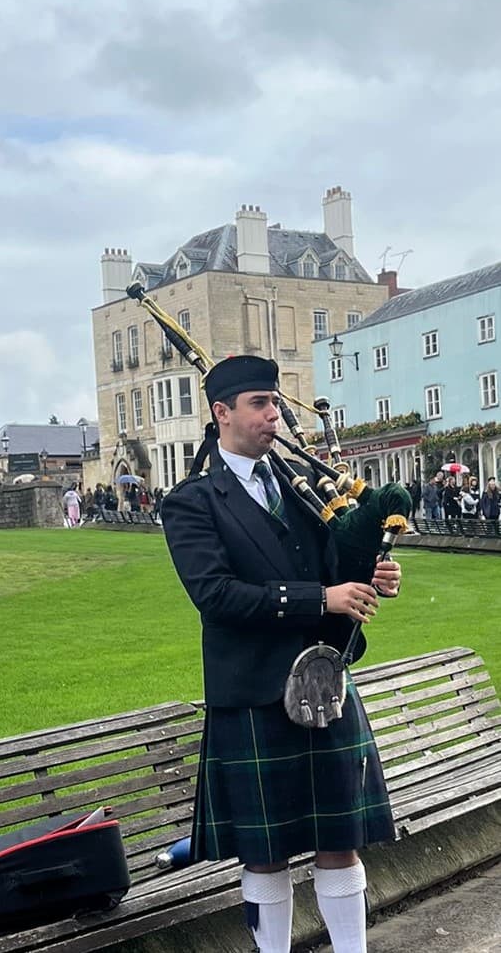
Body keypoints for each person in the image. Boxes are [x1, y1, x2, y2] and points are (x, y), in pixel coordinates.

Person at [160, 355, 401, 953]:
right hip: (252, 690)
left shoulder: (298, 484)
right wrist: (323, 596)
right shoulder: (192, 501)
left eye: (275, 403)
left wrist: (369, 569)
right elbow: (215, 596)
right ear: (222, 414)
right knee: (264, 853)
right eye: (260, 405)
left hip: (322, 682)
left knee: (338, 838)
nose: (275, 416)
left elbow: (332, 565)